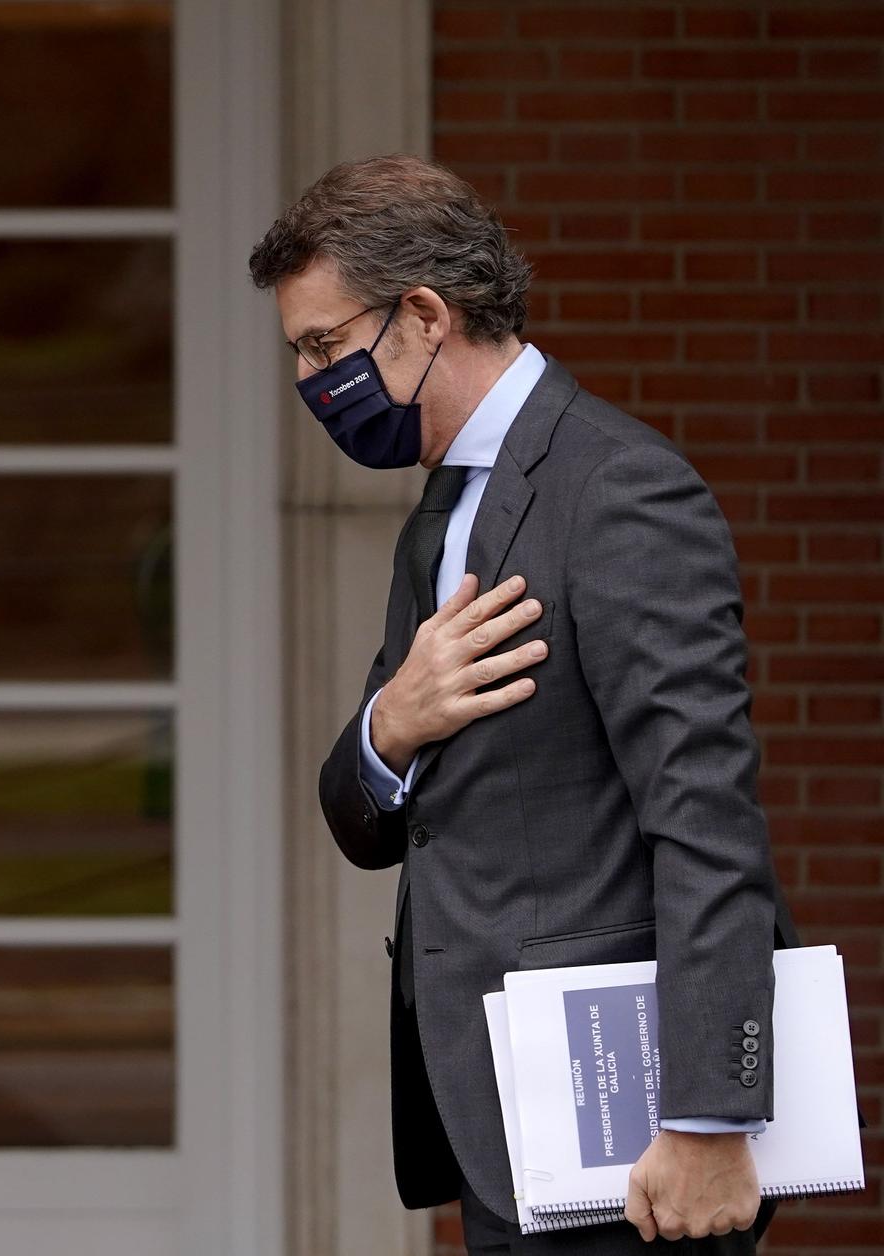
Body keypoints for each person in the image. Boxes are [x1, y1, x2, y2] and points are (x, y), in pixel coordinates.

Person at [250, 155, 795, 1253]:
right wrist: (388, 725)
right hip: (499, 1124)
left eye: (321, 346)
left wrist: (705, 1114)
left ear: (420, 315)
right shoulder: (442, 505)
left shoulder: (616, 491)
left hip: (634, 1140)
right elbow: (363, 821)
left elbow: (703, 818)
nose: (310, 380)